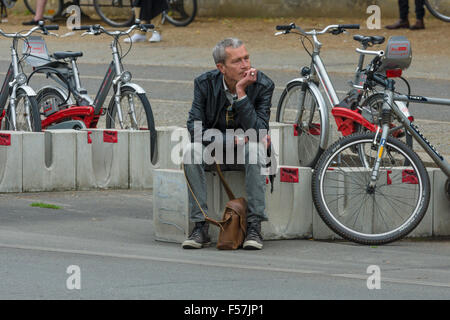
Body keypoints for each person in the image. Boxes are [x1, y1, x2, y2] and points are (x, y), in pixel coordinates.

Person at [181, 38, 275, 250]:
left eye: (247, 57)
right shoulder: (204, 83)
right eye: (237, 61)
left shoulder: (263, 85)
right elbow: (194, 128)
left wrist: (241, 93)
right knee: (190, 151)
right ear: (221, 68)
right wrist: (233, 140)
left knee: (255, 149)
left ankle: (254, 226)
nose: (246, 65)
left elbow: (259, 132)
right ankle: (200, 226)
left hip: (247, 151)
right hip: (215, 150)